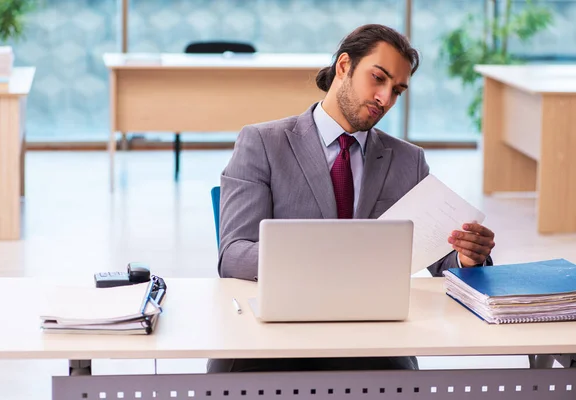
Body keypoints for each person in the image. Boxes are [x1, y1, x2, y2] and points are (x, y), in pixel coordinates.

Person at [209, 24, 496, 373]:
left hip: (372, 338)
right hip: (277, 333)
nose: (385, 99)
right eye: (378, 78)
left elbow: (443, 264)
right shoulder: (263, 143)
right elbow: (234, 255)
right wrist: (329, 254)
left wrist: (468, 258)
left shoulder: (407, 161)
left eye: (397, 90)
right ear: (344, 66)